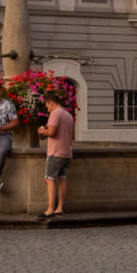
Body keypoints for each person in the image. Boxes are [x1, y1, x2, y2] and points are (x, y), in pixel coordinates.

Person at [40, 90, 76, 218]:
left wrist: (42, 131)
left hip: (55, 152)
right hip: (67, 152)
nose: (47, 109)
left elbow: (51, 132)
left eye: (47, 106)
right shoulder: (68, 115)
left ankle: (50, 209)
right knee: (62, 179)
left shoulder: (55, 113)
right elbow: (72, 135)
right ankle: (59, 208)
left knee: (49, 179)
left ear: (51, 103)